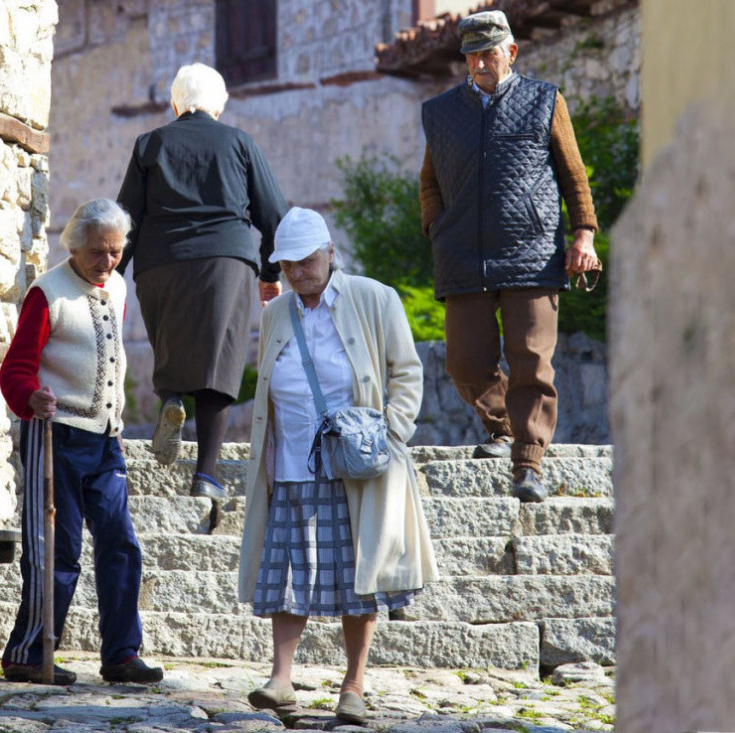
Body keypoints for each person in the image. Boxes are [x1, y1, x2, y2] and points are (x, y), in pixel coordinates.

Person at [238, 207, 440, 725]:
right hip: (289, 463)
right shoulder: (276, 312)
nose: (296, 273)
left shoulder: (375, 298)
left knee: (359, 577)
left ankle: (354, 684)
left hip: (356, 464)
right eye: (287, 265)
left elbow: (407, 371)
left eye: (305, 262)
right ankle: (281, 679)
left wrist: (391, 434)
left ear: (330, 253)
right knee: (286, 573)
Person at [419, 10, 602, 503]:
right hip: (462, 257)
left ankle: (528, 461)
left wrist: (583, 234)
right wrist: (437, 227)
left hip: (533, 253)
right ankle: (502, 427)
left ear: (511, 53)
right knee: (464, 364)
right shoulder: (440, 112)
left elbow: (574, 175)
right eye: (472, 55)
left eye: (489, 53)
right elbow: (429, 182)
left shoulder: (545, 100)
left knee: (531, 362)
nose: (480, 63)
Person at [0, 198, 163, 686]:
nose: (106, 262)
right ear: (74, 245)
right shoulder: (46, 294)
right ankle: (28, 654)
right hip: (56, 437)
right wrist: (32, 398)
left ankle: (120, 654)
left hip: (105, 439)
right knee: (57, 550)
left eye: (115, 252)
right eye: (97, 251)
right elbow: (15, 369)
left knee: (120, 545)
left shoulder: (117, 286)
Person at [116, 62, 288, 499]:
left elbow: (125, 220)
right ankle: (206, 476)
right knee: (219, 365)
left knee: (173, 342)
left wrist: (108, 278)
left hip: (160, 264)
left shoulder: (149, 144)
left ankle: (172, 397)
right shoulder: (239, 143)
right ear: (220, 105)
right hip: (224, 262)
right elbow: (275, 219)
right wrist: (269, 275)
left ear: (176, 103)